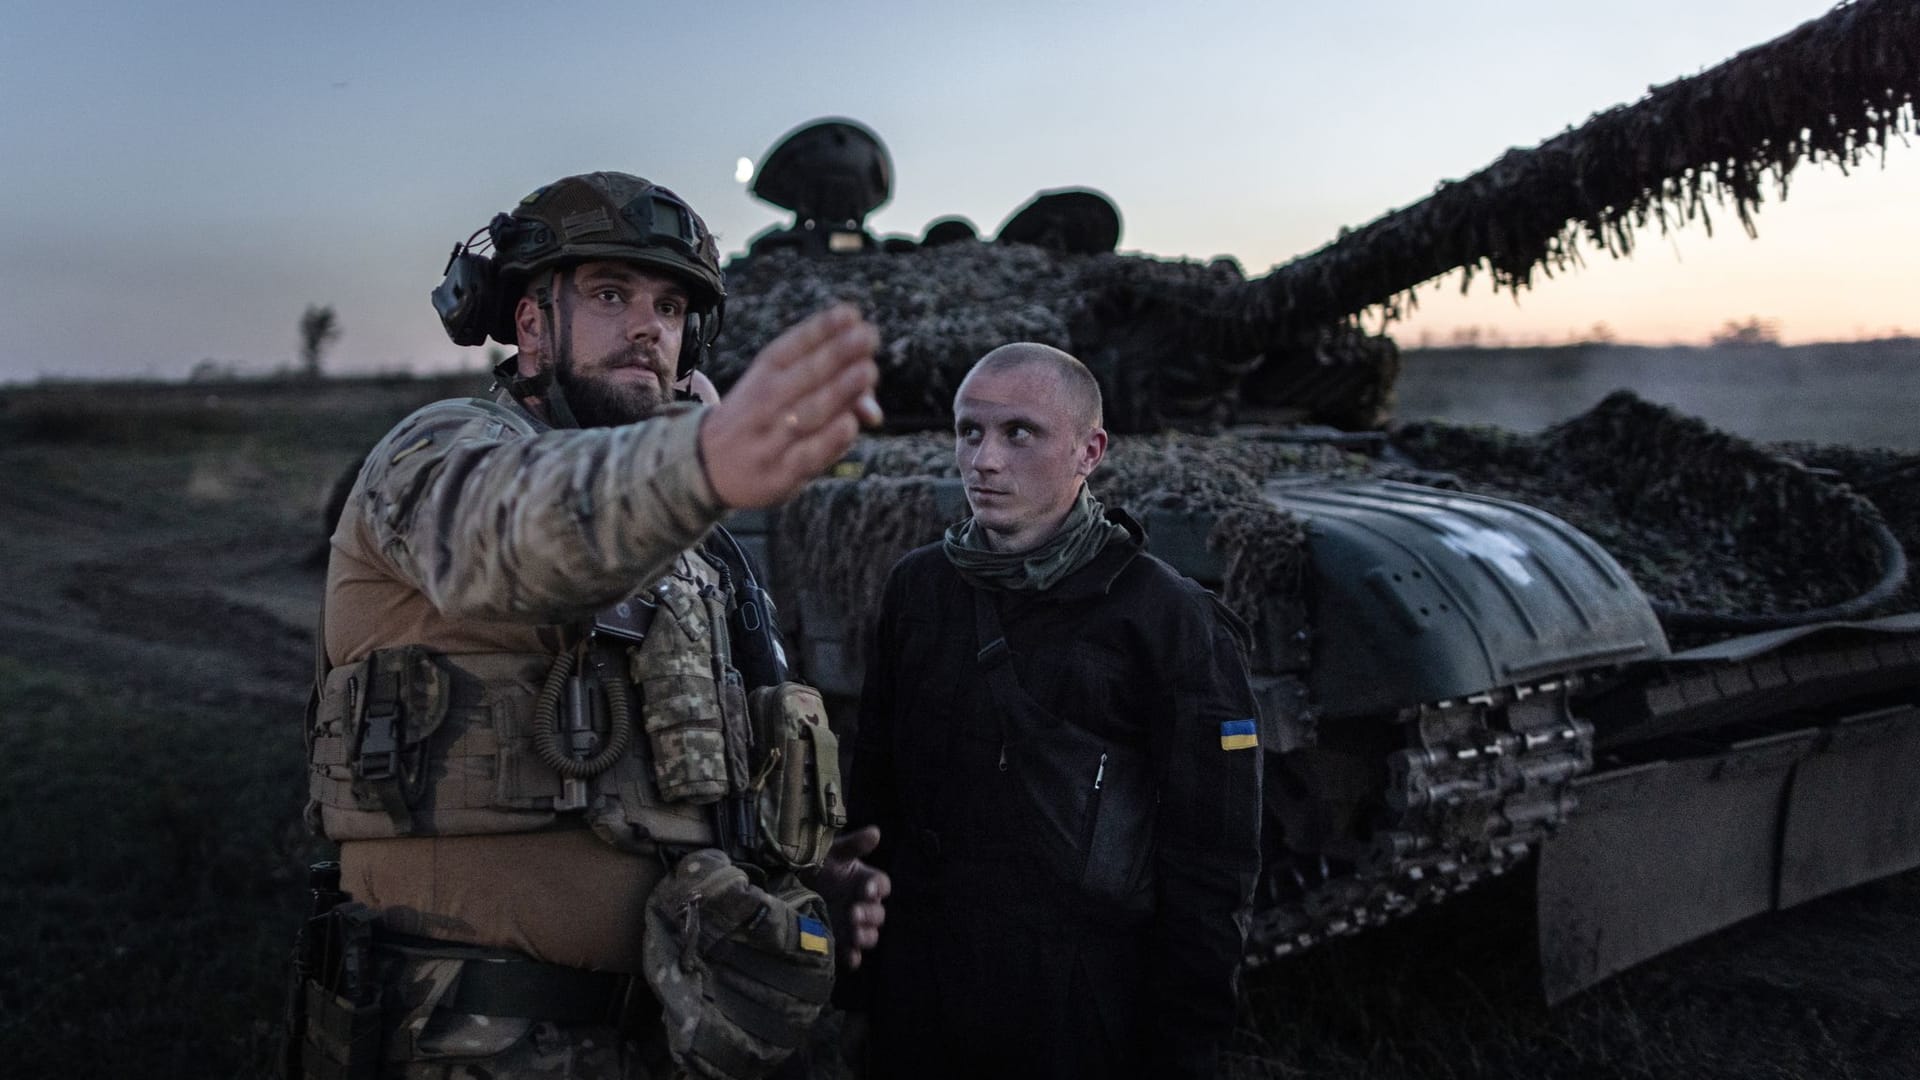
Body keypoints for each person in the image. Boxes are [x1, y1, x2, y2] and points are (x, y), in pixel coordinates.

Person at [293, 171, 889, 1080]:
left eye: (671, 305)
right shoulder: (438, 450)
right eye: (611, 295)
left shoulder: (690, 538)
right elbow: (506, 533)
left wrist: (802, 895)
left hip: (661, 1039)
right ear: (532, 325)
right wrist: (700, 461)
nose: (649, 327)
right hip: (469, 1046)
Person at [847, 343, 1263, 1079]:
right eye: (969, 432)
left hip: (1079, 993)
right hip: (926, 980)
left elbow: (1211, 855)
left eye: (1019, 433)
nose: (984, 460)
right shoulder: (920, 589)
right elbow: (875, 790)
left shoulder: (1163, 617)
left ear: (1089, 450)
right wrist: (865, 976)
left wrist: (1186, 1038)